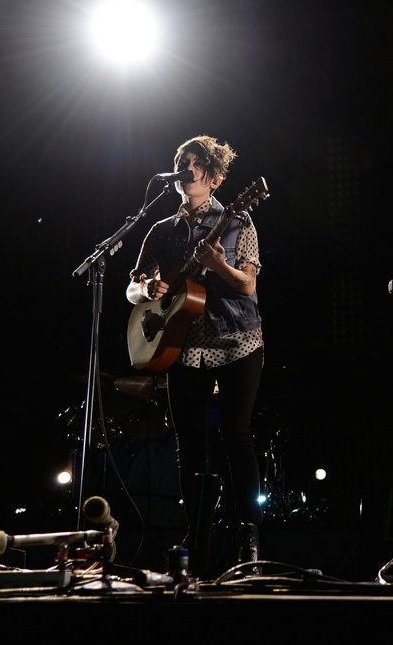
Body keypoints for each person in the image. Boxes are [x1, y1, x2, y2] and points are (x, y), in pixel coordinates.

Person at [126, 134, 264, 579]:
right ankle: (197, 534)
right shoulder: (160, 230)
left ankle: (248, 535)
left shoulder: (238, 219)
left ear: (216, 177)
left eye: (195, 165)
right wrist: (147, 289)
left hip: (237, 339)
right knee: (190, 444)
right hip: (182, 344)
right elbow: (132, 287)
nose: (186, 171)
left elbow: (246, 285)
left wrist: (219, 264)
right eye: (181, 163)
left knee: (237, 437)